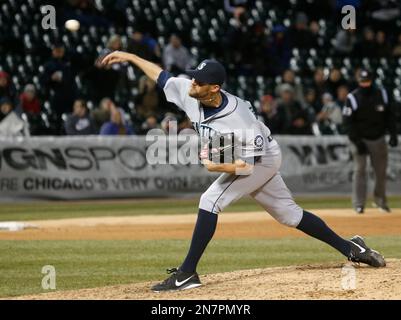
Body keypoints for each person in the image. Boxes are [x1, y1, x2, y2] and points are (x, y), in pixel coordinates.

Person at [101, 51, 386, 292]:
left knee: (210, 200)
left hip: (260, 158)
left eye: (199, 80)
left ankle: (187, 274)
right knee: (289, 214)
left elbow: (247, 166)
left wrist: (216, 166)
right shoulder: (193, 93)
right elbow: (161, 75)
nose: (192, 82)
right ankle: (352, 248)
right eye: (194, 77)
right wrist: (127, 56)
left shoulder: (240, 119)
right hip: (248, 158)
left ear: (214, 88)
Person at [342, 69, 398, 214]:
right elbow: (347, 123)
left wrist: (393, 134)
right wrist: (357, 141)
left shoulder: (383, 94)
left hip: (378, 138)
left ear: (372, 80)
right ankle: (359, 204)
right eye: (362, 81)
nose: (365, 84)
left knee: (381, 172)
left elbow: (390, 116)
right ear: (358, 81)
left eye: (367, 81)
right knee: (360, 170)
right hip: (359, 138)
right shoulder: (352, 97)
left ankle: (381, 201)